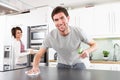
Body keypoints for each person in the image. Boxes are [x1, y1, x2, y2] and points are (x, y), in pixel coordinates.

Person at [27, 6, 97, 74]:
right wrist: (35, 67)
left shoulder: (78, 31)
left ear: (68, 18)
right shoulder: (50, 37)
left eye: (62, 18)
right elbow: (39, 54)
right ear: (54, 22)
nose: (60, 22)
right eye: (56, 20)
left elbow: (95, 45)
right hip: (62, 66)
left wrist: (87, 51)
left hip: (78, 64)